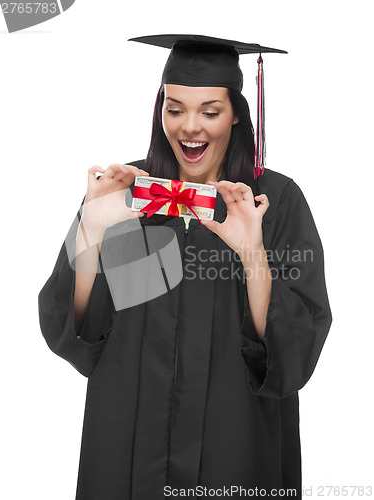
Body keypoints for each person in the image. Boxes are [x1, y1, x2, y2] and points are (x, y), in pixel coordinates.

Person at [38, 35, 333, 500]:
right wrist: (91, 234)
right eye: (174, 109)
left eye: (210, 111)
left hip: (232, 448)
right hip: (128, 450)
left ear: (237, 112)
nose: (189, 127)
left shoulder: (272, 202)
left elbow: (293, 353)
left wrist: (251, 254)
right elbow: (76, 334)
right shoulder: (124, 192)